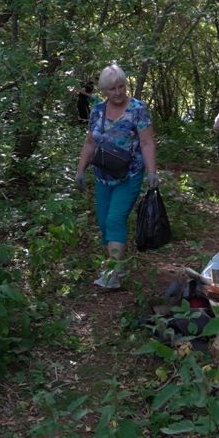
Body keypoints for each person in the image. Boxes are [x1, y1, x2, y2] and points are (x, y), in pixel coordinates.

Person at [75, 64, 158, 289]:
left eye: (121, 86)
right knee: (103, 222)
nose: (118, 92)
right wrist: (80, 170)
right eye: (112, 89)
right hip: (102, 175)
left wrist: (152, 172)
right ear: (104, 90)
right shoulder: (98, 110)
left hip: (129, 175)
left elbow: (147, 141)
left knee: (115, 219)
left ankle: (113, 273)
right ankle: (116, 267)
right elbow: (90, 141)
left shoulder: (138, 109)